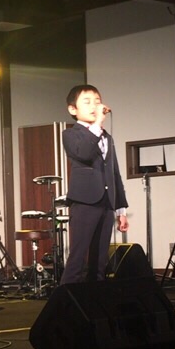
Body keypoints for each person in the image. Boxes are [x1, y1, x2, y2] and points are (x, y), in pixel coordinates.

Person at [60, 84, 129, 284]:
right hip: (85, 201)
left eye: (97, 101)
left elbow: (114, 172)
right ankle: (66, 299)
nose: (94, 106)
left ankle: (95, 299)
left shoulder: (107, 137)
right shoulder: (71, 134)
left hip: (107, 202)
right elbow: (84, 153)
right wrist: (97, 123)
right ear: (73, 109)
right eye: (87, 102)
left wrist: (121, 209)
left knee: (99, 261)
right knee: (78, 257)